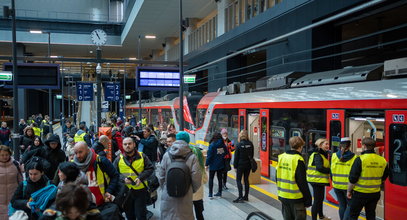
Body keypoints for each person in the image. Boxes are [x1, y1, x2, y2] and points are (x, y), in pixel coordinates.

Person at [158, 136, 202, 220]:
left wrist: (165, 187)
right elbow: (196, 177)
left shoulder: (167, 155)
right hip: (186, 193)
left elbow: (161, 175)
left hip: (168, 192)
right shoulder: (192, 156)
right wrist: (191, 190)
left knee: (168, 216)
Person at [347, 137, 388, 220]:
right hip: (375, 193)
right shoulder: (383, 160)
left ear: (364, 146)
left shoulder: (360, 159)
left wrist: (349, 191)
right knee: (371, 214)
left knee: (353, 215)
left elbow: (353, 179)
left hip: (360, 193)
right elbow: (384, 177)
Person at [113, 137, 154, 219]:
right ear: (122, 146)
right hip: (126, 192)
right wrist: (123, 179)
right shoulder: (118, 159)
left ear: (134, 144)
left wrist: (140, 178)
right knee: (130, 216)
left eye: (129, 144)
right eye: (125, 144)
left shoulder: (143, 156)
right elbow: (114, 173)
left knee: (141, 215)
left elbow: (150, 168)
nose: (127, 146)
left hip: (140, 191)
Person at [72, 141, 120, 207]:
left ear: (88, 150)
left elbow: (115, 175)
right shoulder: (73, 165)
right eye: (75, 153)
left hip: (103, 204)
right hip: (84, 207)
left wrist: (109, 191)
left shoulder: (101, 161)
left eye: (80, 152)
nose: (78, 156)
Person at [277, 136, 312, 220]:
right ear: (300, 147)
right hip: (296, 198)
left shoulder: (281, 157)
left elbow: (277, 176)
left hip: (283, 195)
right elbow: (302, 182)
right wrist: (308, 199)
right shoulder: (298, 159)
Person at [175, 131, 206, 220]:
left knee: (184, 213)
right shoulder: (197, 152)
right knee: (199, 212)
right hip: (197, 188)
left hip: (182, 189)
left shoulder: (173, 153)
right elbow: (201, 171)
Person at [331, 137, 357, 220]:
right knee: (350, 206)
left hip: (337, 185)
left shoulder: (334, 156)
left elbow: (331, 171)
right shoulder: (354, 157)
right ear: (349, 146)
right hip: (348, 186)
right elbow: (355, 174)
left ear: (340, 145)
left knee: (342, 206)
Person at [307, 138, 331, 220]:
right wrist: (331, 171)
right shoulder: (317, 155)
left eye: (328, 144)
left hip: (318, 180)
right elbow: (320, 168)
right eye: (326, 144)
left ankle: (321, 216)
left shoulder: (321, 154)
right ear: (320, 145)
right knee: (317, 201)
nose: (328, 146)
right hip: (316, 180)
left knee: (320, 199)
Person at [0, 145, 23, 219]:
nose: (4, 157)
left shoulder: (15, 164)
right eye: (2, 155)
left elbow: (21, 181)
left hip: (13, 197)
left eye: (6, 154)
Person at [232, 130, 253, 203]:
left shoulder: (238, 145)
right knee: (246, 180)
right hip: (248, 165)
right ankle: (246, 196)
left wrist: (235, 166)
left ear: (240, 136)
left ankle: (240, 197)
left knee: (238, 180)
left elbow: (236, 157)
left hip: (240, 165)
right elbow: (252, 155)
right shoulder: (250, 144)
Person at [205, 132, 226, 198]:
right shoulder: (222, 144)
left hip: (213, 164)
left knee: (211, 178)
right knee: (220, 178)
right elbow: (225, 152)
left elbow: (209, 156)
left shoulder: (212, 145)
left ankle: (210, 193)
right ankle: (220, 192)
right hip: (220, 164)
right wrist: (220, 156)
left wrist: (206, 164)